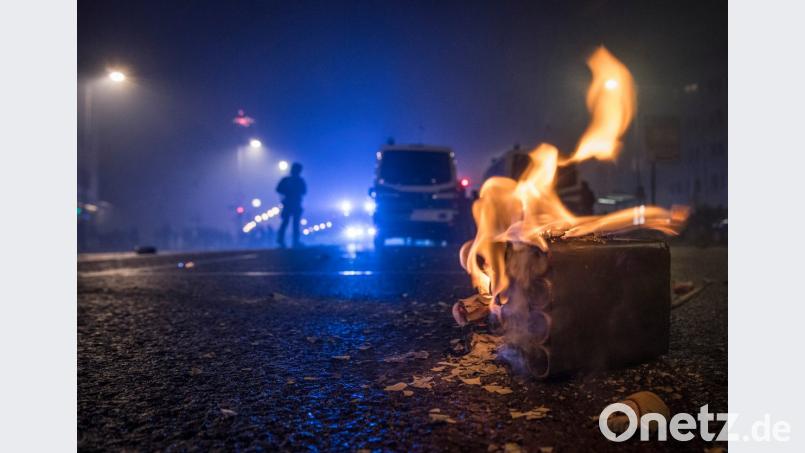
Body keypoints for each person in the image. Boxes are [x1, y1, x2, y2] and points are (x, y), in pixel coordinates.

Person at [276, 162, 306, 248]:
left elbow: (278, 189)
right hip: (292, 203)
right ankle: (292, 241)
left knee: (288, 222)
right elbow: (304, 191)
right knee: (292, 223)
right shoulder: (296, 180)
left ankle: (284, 240)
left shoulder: (288, 180)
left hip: (291, 203)